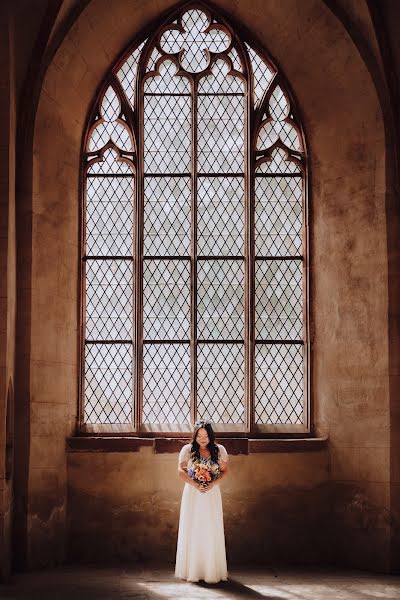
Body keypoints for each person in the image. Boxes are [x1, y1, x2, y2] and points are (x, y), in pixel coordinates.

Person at [174, 419, 229, 583]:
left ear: (210, 436)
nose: (202, 439)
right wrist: (196, 484)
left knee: (210, 527)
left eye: (205, 435)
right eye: (199, 435)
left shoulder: (219, 450)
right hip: (193, 492)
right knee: (193, 525)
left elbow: (225, 471)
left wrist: (212, 483)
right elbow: (180, 470)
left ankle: (212, 570)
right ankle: (193, 570)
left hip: (211, 493)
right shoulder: (187, 450)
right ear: (195, 436)